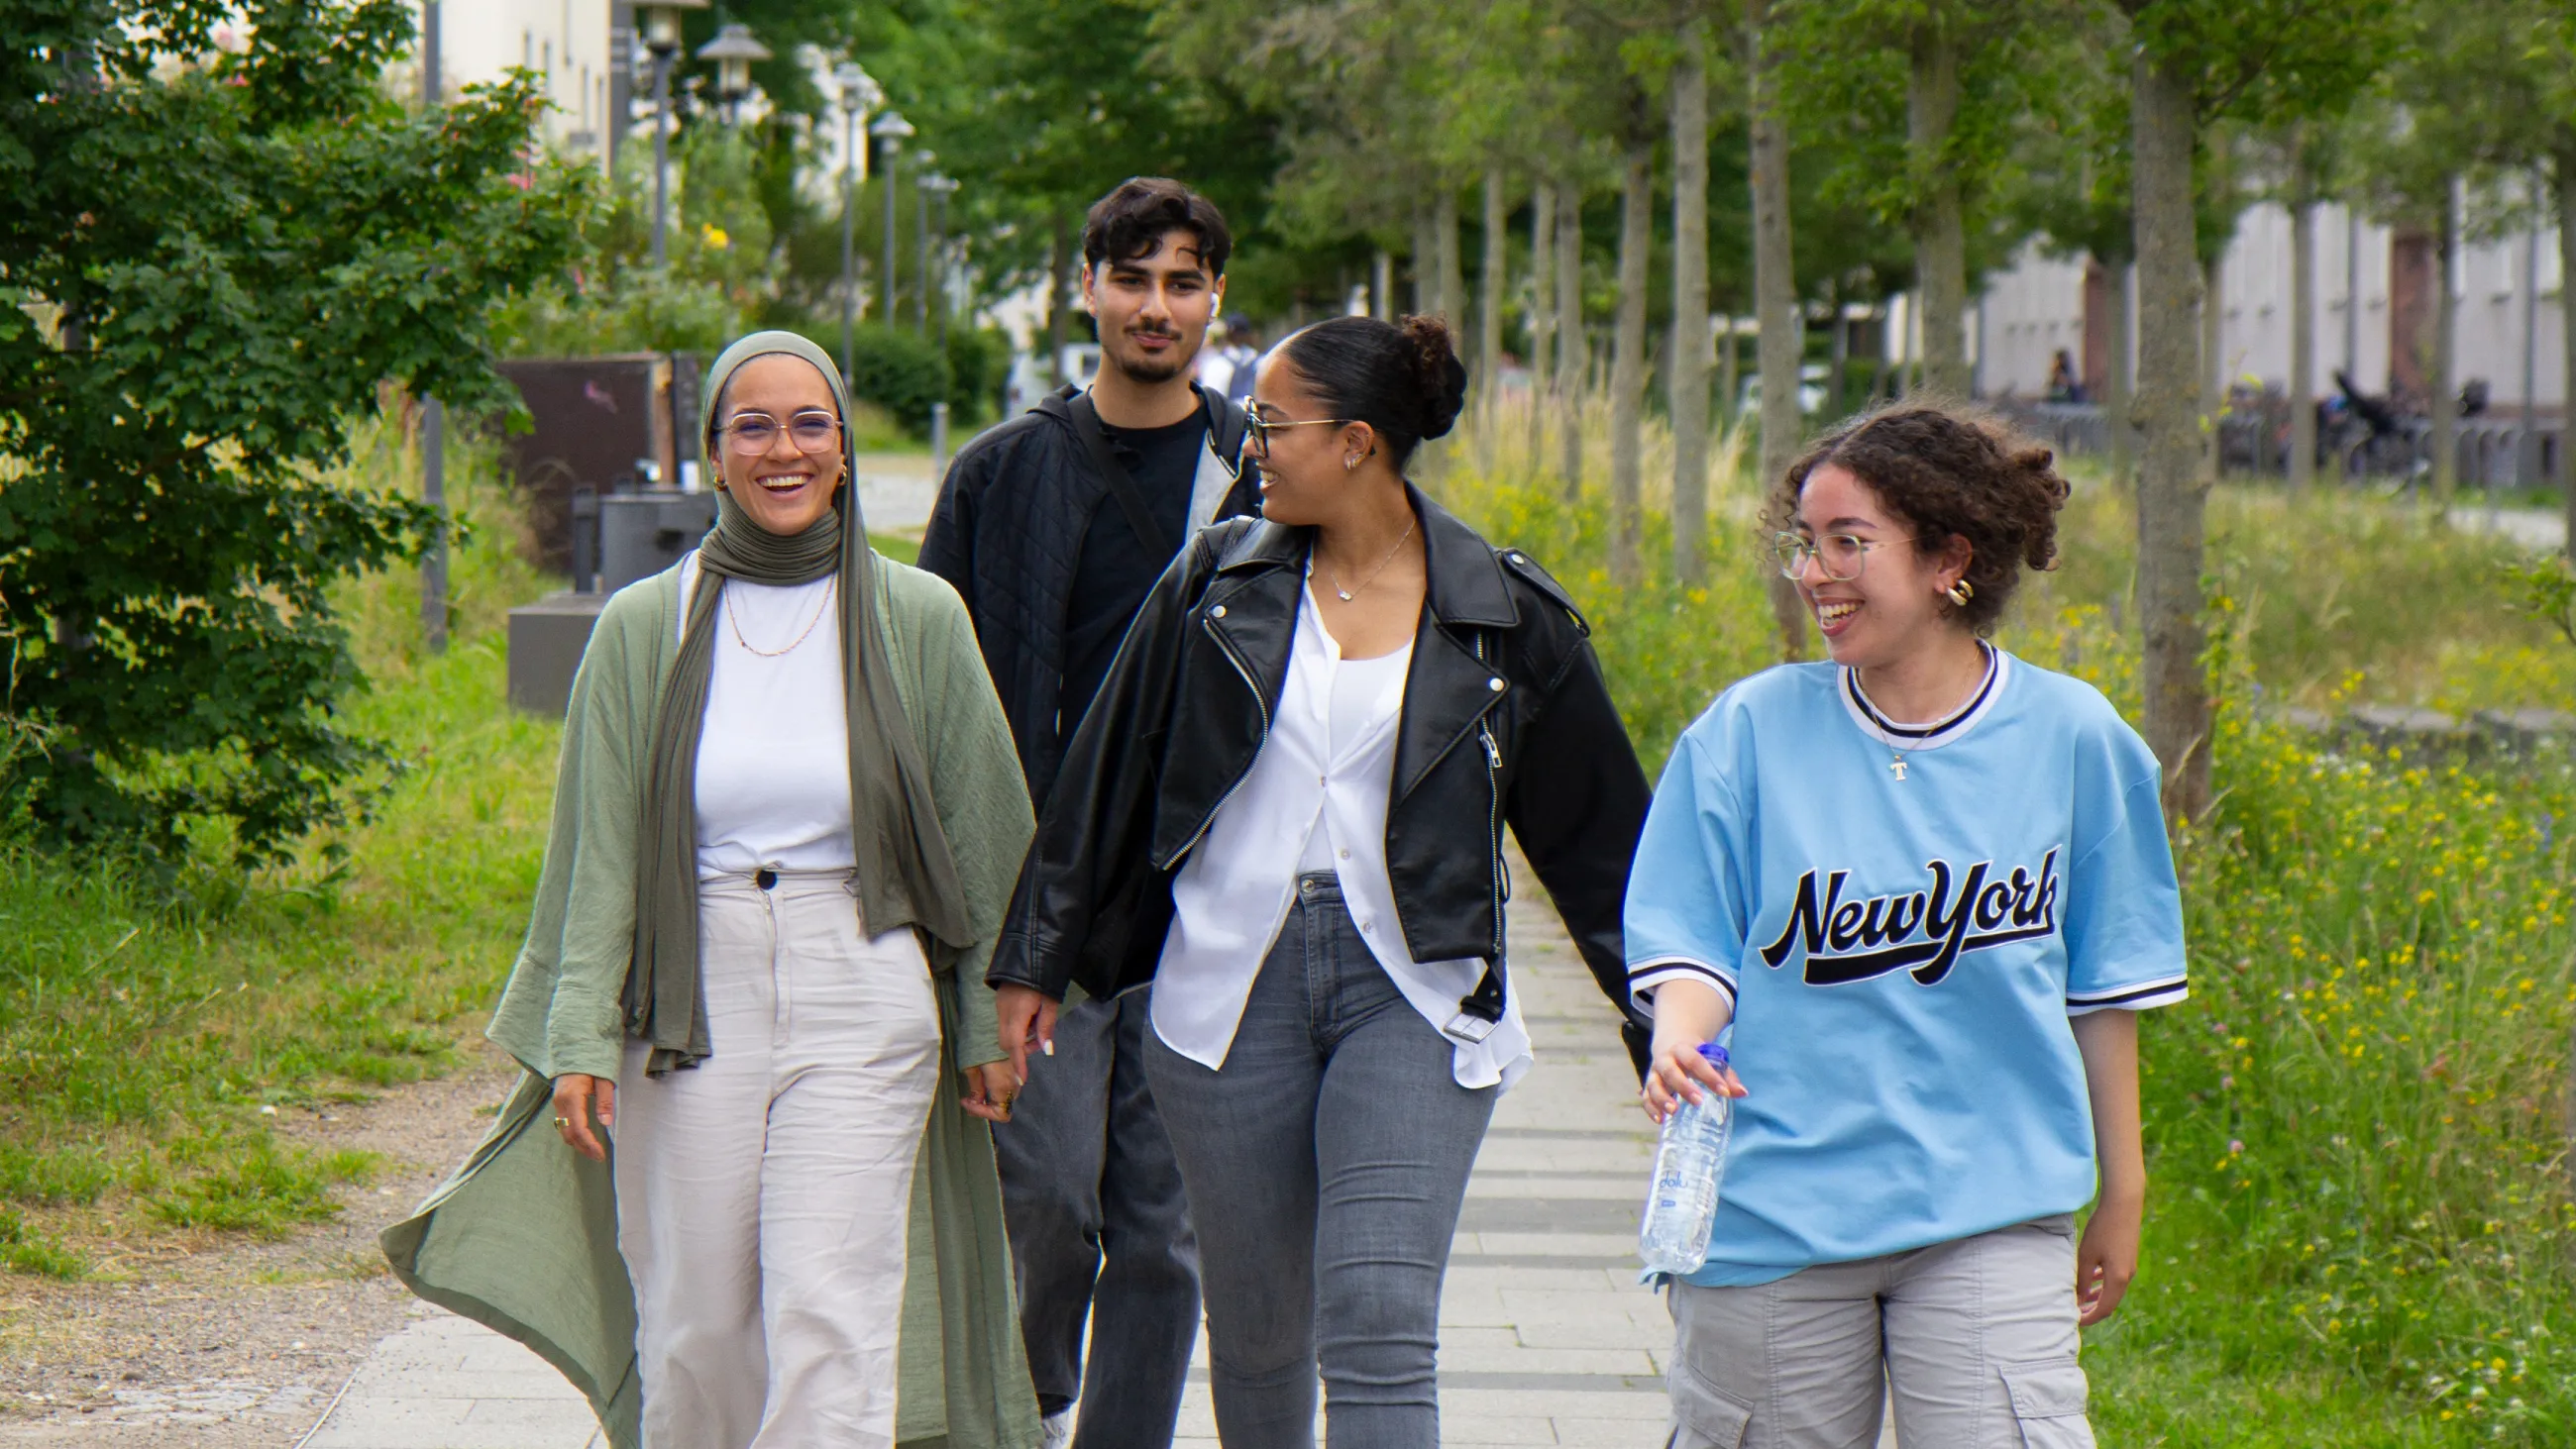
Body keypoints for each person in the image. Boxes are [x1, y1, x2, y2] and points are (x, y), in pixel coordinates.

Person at [988, 314, 1655, 1449]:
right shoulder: (1214, 581)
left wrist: (1659, 1019)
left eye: (1271, 423)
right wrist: (1033, 964)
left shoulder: (1502, 613)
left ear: (1354, 443)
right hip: (1223, 992)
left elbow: (1603, 851)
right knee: (1256, 1339)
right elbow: (1106, 776)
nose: (1251, 444)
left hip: (1417, 988)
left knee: (1380, 1320)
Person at [382, 330, 1041, 1449]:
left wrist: (983, 1012)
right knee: (693, 1322)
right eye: (754, 426)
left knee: (825, 1307)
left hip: (862, 978)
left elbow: (988, 834)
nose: (782, 449)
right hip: (689, 994)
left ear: (840, 448)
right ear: (711, 451)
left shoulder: (916, 615)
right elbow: (595, 849)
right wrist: (581, 1028)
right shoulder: (646, 624)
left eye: (808, 423)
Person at [1627, 403, 2186, 1448]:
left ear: (1949, 559)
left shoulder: (2074, 738)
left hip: (1990, 1203)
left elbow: (2104, 990)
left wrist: (2124, 1185)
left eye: (1849, 541)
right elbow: (1694, 943)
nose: (1813, 570)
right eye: (1804, 541)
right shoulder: (1744, 732)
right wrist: (1677, 1037)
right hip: (1775, 1208)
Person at [919, 176, 1254, 1449]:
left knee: (1165, 1226)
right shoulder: (1003, 471)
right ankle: (1036, 1406)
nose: (1154, 305)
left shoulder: (1257, 473)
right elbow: (928, 684)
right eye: (1131, 277)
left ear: (1215, 295)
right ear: (1087, 288)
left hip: (1198, 901)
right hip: (1034, 900)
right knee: (1047, 1195)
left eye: (1181, 280)